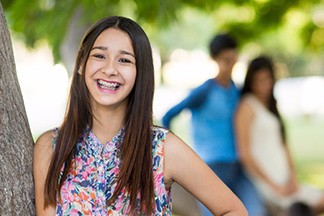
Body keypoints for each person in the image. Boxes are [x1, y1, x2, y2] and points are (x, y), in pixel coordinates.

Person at [33, 16, 248, 216]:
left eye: (124, 60)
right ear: (81, 64)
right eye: (99, 56)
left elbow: (234, 210)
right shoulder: (50, 147)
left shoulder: (162, 149)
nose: (110, 69)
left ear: (140, 72)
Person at [162, 33, 265, 216]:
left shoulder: (236, 90)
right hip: (212, 166)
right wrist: (176, 151)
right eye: (226, 60)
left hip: (237, 165)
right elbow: (169, 115)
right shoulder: (204, 91)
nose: (230, 65)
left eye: (233, 59)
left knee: (256, 210)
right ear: (215, 60)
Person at [235, 55, 324, 215]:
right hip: (266, 181)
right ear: (251, 81)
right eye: (258, 80)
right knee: (298, 209)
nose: (263, 85)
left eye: (267, 79)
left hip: (285, 178)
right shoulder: (247, 106)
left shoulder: (271, 105)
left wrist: (293, 178)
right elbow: (245, 155)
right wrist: (274, 186)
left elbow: (283, 145)